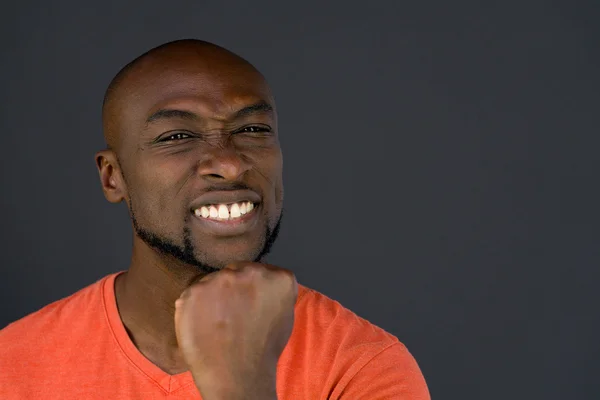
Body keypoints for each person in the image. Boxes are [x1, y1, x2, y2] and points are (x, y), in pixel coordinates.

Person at [0, 39, 430, 399]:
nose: (228, 164)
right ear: (113, 177)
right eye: (177, 137)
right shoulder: (13, 364)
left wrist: (242, 385)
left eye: (252, 130)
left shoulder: (361, 367)